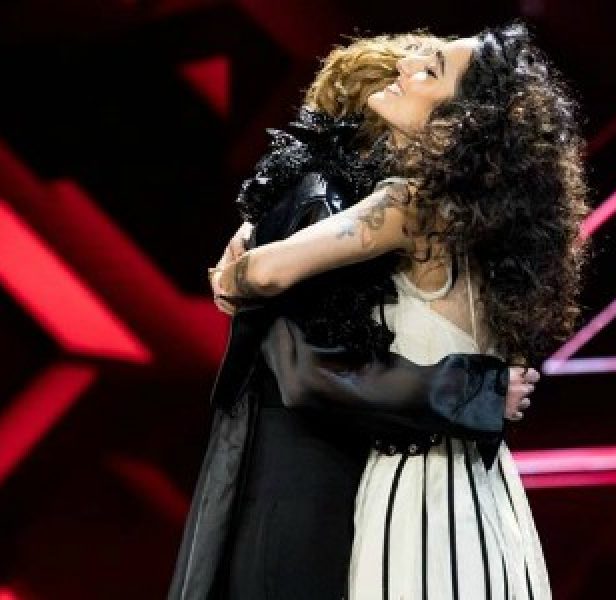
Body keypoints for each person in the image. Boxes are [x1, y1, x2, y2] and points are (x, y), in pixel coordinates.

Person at [216, 21, 589, 600]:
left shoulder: (410, 204)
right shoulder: (492, 225)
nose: (406, 65)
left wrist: (233, 269)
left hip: (417, 492)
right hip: (488, 498)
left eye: (430, 70)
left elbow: (268, 272)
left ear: (456, 127)